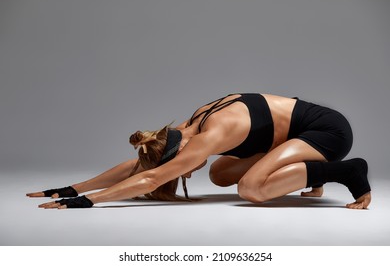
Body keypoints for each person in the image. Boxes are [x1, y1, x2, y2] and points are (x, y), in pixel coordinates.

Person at [27, 93, 371, 209]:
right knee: (219, 174)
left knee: (251, 188)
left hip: (328, 132)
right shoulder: (191, 125)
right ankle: (309, 172)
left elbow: (152, 177)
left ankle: (346, 171)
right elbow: (142, 166)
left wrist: (87, 203)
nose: (185, 171)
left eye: (181, 167)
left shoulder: (210, 134)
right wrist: (73, 188)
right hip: (295, 136)